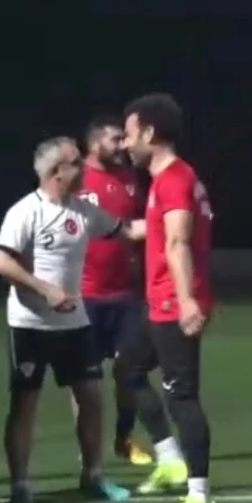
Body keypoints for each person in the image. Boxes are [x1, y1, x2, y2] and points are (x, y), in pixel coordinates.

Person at [0, 137, 144, 503]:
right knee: (25, 403)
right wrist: (44, 289)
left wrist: (170, 217)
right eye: (75, 162)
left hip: (74, 325)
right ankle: (20, 486)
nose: (83, 168)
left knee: (91, 397)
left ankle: (93, 476)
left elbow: (127, 231)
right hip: (29, 325)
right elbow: (2, 263)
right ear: (55, 172)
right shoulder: (25, 212)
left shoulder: (84, 211)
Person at [118, 93, 218, 503]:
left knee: (182, 396)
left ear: (149, 133)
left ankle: (199, 495)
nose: (124, 143)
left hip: (173, 303)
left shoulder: (174, 178)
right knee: (128, 370)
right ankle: (170, 458)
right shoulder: (167, 181)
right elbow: (155, 230)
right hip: (160, 302)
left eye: (129, 134)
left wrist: (187, 301)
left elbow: (178, 242)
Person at [77, 115, 158, 468]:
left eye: (124, 138)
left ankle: (124, 438)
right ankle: (88, 452)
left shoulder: (128, 178)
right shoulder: (76, 178)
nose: (122, 145)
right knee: (86, 379)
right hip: (85, 294)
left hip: (125, 294)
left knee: (129, 370)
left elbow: (137, 226)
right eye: (115, 139)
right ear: (95, 143)